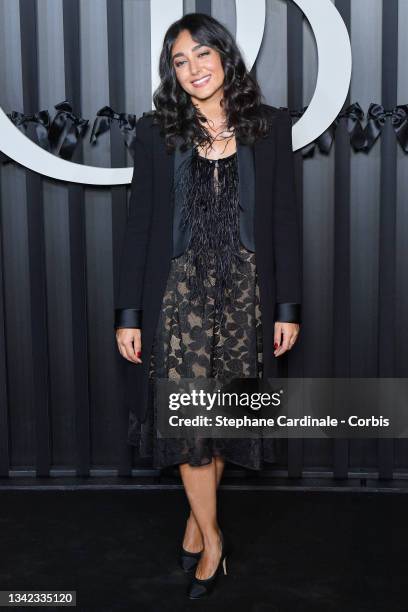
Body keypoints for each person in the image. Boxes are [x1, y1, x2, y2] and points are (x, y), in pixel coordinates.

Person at [114, 12, 302, 600]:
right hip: (178, 298)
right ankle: (215, 543)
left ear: (224, 57)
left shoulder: (269, 127)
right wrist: (129, 314)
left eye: (201, 55)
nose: (193, 69)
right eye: (179, 61)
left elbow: (284, 223)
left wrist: (288, 307)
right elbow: (140, 226)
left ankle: (196, 523)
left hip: (247, 295)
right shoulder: (155, 132)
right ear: (172, 73)